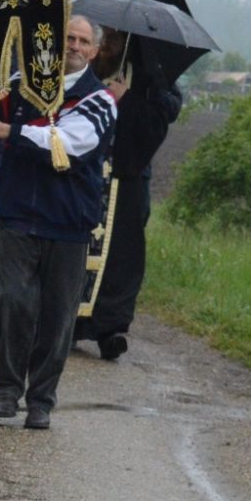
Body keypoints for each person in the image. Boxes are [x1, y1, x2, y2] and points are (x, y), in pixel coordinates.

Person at [0, 15, 118, 429]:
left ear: (93, 51)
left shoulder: (100, 101)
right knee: (13, 303)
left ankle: (42, 400)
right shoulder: (20, 84)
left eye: (82, 40)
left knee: (57, 318)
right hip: (17, 213)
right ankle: (7, 390)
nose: (72, 45)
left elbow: (67, 145)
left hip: (68, 223)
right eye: (67, 36)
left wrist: (7, 131)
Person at [73, 25, 184, 361]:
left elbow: (164, 115)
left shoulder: (151, 79)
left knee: (121, 256)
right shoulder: (84, 68)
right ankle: (69, 324)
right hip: (85, 176)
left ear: (128, 44)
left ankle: (111, 328)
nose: (106, 45)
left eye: (114, 40)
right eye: (103, 38)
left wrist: (128, 101)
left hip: (127, 180)